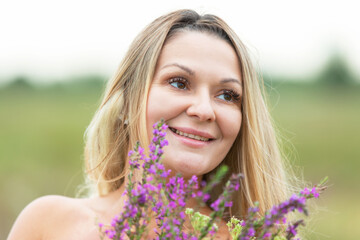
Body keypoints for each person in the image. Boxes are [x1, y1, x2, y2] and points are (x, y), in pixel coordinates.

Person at [7, 9, 294, 240]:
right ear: (127, 101)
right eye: (179, 83)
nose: (205, 109)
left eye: (227, 95)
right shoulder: (48, 224)